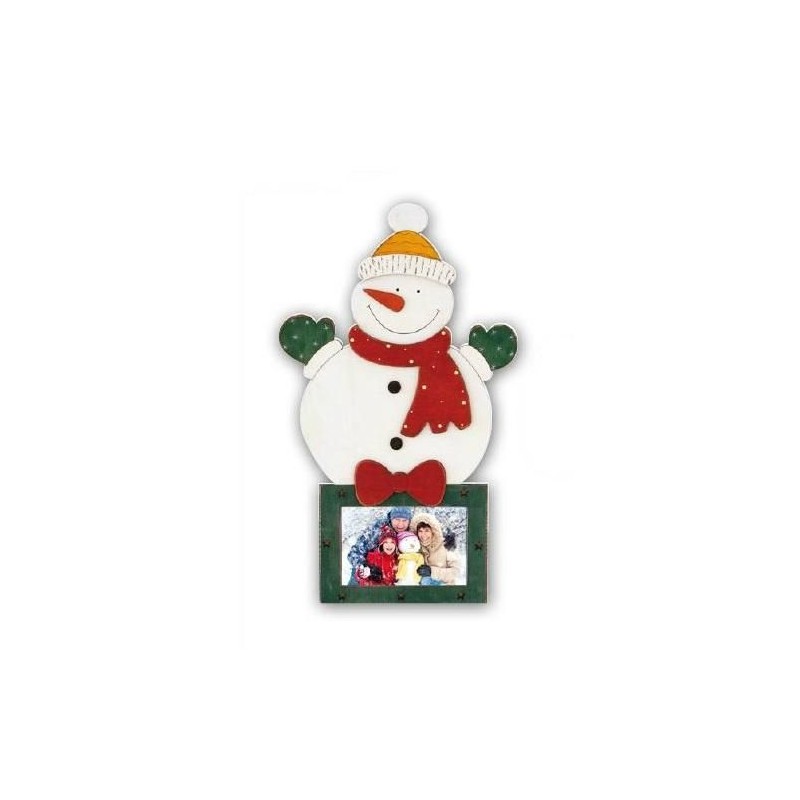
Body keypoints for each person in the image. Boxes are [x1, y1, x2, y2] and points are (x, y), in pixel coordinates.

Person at [346, 507, 413, 585]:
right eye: (397, 519)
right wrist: (367, 567)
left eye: (404, 520)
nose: (400, 524)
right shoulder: (378, 529)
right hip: (368, 572)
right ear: (391, 518)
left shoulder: (412, 532)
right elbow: (354, 553)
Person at [410, 512, 460, 585]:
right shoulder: (416, 547)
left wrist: (432, 571)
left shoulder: (446, 545)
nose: (423, 535)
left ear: (433, 531)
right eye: (420, 531)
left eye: (427, 530)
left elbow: (456, 572)